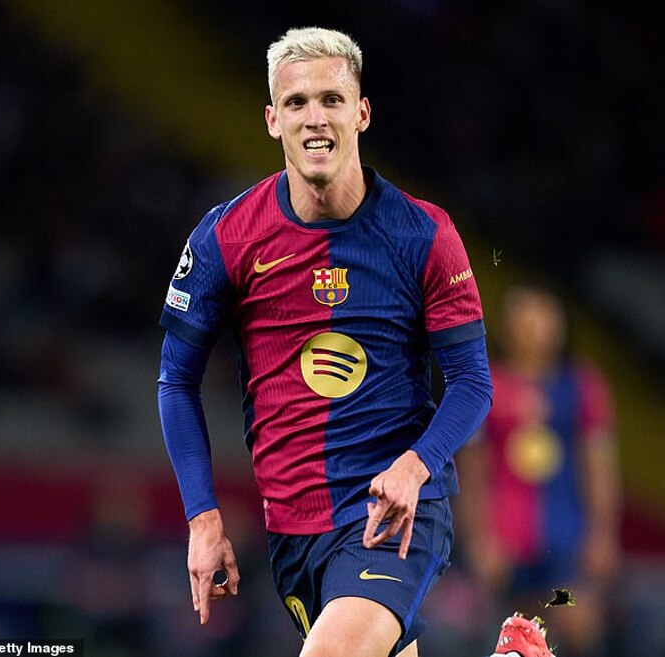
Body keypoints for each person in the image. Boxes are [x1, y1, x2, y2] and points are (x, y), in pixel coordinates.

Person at [157, 26, 494, 657]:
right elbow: (176, 380)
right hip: (292, 530)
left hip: (394, 516)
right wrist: (202, 518)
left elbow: (473, 382)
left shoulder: (423, 234)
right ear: (272, 120)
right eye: (296, 102)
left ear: (361, 112)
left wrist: (415, 465)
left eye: (331, 99)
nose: (315, 117)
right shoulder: (226, 238)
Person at [456, 284, 621, 657]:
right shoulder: (486, 384)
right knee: (516, 633)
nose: (535, 327)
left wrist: (603, 534)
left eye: (544, 317)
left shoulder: (581, 386)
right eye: (526, 317)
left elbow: (598, 466)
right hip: (507, 545)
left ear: (560, 325)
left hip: (566, 544)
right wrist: (478, 538)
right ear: (506, 326)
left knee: (574, 618)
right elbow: (473, 468)